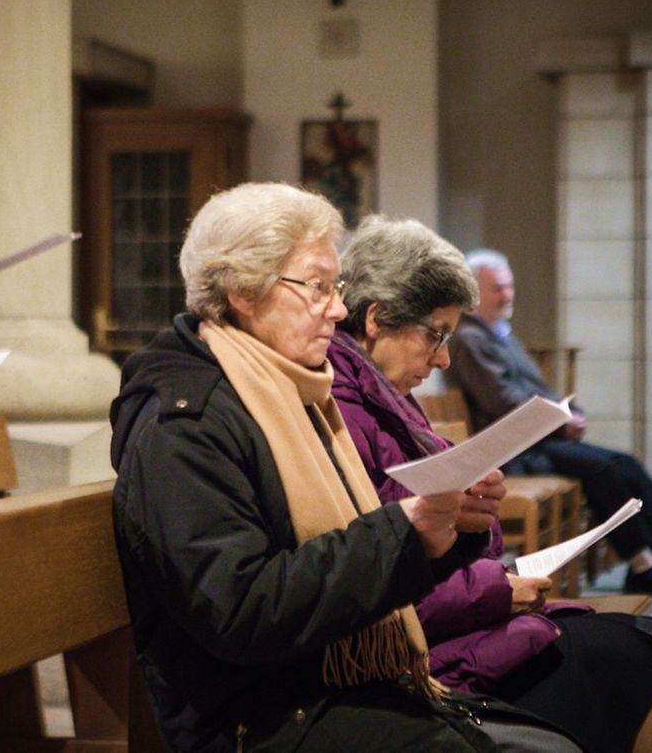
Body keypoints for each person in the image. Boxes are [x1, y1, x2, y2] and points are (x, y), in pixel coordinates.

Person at [110, 183, 585, 753]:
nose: (338, 307)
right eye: (316, 287)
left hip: (322, 680)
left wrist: (447, 532)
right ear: (241, 289)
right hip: (254, 718)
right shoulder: (186, 425)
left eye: (335, 287)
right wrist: (403, 533)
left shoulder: (287, 390)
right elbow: (240, 610)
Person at [329, 215, 652, 753]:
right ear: (378, 318)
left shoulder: (389, 398)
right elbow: (367, 575)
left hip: (454, 622)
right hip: (414, 657)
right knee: (633, 658)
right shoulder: (338, 410)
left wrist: (473, 514)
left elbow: (422, 529)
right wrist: (498, 588)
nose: (443, 359)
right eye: (435, 335)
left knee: (640, 649)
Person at [447, 249, 652, 596]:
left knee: (621, 463)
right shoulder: (470, 338)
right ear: (475, 292)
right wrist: (561, 422)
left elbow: (538, 390)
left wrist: (570, 413)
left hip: (538, 439)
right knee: (601, 468)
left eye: (509, 286)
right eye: (497, 288)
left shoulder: (498, 333)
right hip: (511, 451)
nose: (507, 295)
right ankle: (643, 564)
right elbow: (503, 401)